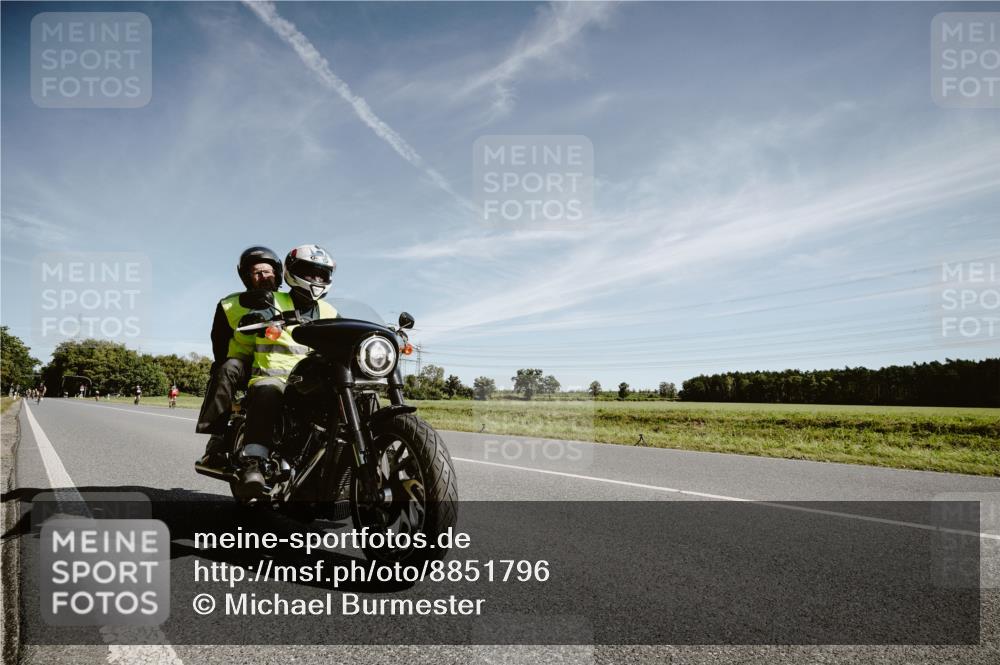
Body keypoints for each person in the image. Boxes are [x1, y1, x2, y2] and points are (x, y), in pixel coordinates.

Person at [234, 244, 339, 491]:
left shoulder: (329, 311)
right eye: (310, 272)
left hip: (312, 379)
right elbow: (245, 328)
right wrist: (256, 319)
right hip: (274, 378)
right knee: (269, 390)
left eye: (321, 274)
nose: (316, 279)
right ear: (292, 272)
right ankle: (254, 461)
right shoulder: (271, 300)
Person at [196, 246, 284, 468]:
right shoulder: (229, 304)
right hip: (245, 367)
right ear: (247, 277)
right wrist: (222, 364)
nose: (263, 276)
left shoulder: (292, 299)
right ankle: (216, 439)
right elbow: (219, 342)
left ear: (278, 272)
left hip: (283, 366)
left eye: (267, 271)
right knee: (226, 367)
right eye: (256, 272)